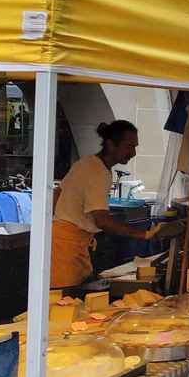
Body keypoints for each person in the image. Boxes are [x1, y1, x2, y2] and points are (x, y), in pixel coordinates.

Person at [51, 120, 153, 288]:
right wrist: (144, 235)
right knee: (63, 302)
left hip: (66, 241)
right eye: (128, 146)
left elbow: (57, 194)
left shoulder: (86, 162)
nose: (133, 153)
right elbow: (102, 221)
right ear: (111, 144)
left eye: (135, 147)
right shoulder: (98, 171)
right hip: (66, 248)